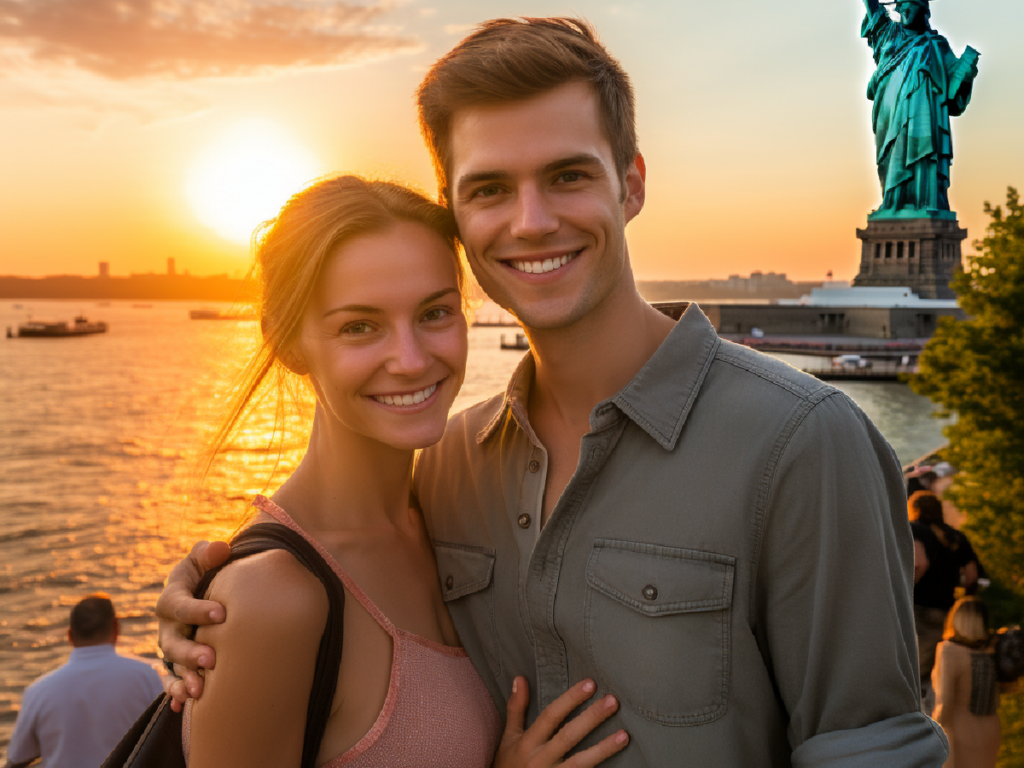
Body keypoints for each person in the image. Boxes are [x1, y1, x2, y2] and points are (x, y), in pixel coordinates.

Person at [158, 18, 949, 765]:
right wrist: (228, 598)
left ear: (631, 185)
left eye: (567, 176)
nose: (531, 222)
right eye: (491, 188)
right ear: (457, 216)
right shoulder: (448, 470)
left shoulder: (803, 444)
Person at [169, 175, 627, 768]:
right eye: (360, 326)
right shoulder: (272, 601)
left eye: (435, 312)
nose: (411, 361)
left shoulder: (461, 511)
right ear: (288, 342)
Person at [5, 594, 163, 768]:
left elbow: (17, 760)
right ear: (116, 628)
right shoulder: (149, 676)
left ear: (70, 635)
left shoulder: (38, 691)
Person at [860, 0, 979, 217]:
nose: (901, 11)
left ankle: (923, 203)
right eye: (899, 6)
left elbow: (954, 87)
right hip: (888, 113)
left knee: (921, 153)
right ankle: (892, 203)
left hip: (922, 114)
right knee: (890, 157)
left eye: (908, 5)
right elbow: (872, 5)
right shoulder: (888, 34)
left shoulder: (936, 44)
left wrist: (966, 73)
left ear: (923, 9)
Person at [910, 490, 981, 706]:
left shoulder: (915, 530)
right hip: (949, 613)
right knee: (941, 667)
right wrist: (965, 600)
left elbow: (919, 563)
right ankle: (939, 711)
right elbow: (972, 575)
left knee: (920, 667)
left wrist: (905, 591)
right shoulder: (956, 537)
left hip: (921, 607)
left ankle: (921, 714)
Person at [932, 597, 1002, 768]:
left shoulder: (948, 650)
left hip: (958, 732)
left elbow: (945, 701)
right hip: (990, 730)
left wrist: (932, 729)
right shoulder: (991, 650)